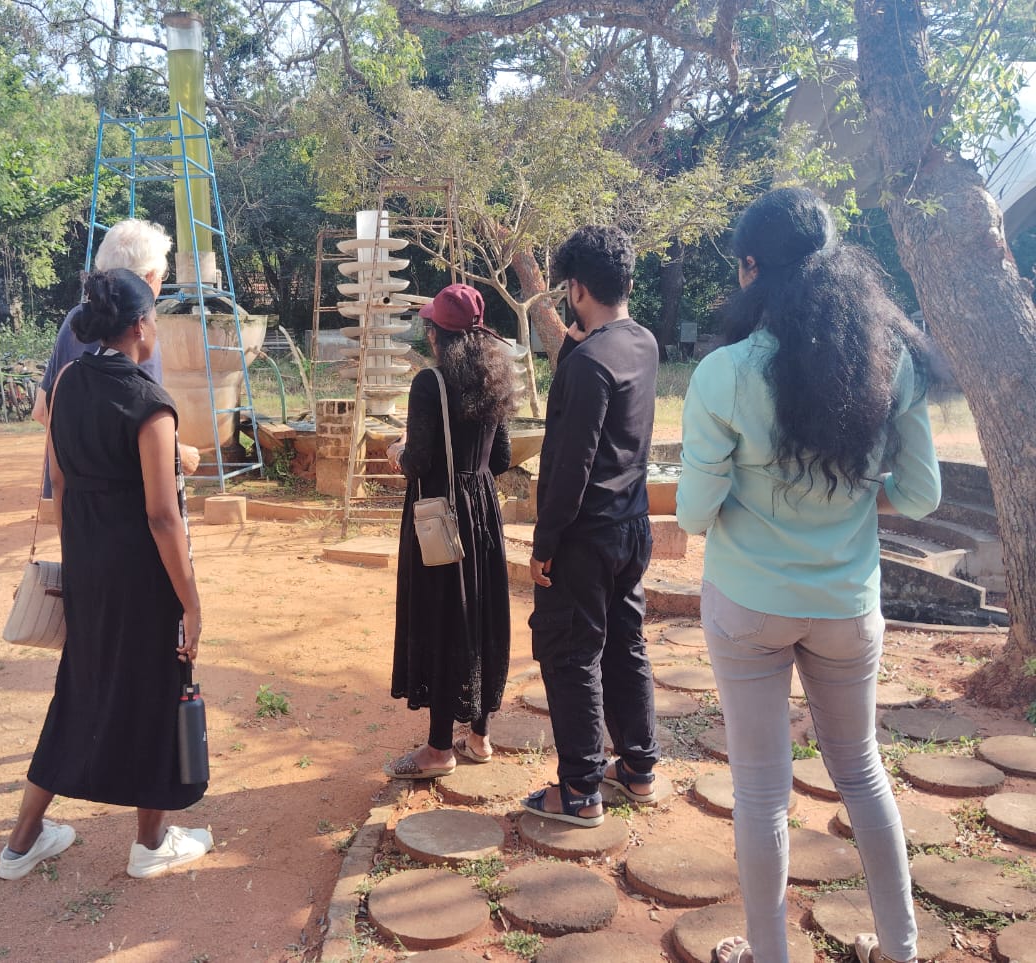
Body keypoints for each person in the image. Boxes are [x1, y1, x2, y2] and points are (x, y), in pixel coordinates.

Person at [675, 187, 943, 963]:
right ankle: (900, 949)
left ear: (751, 268)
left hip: (748, 609)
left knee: (762, 792)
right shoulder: (890, 364)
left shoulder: (723, 374)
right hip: (848, 609)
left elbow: (694, 513)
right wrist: (857, 496)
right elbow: (921, 494)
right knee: (861, 770)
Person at [0, 268, 210, 882]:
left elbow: (60, 484)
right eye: (155, 320)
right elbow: (162, 516)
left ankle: (21, 842)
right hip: (144, 577)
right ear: (141, 326)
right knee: (159, 692)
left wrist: (81, 561)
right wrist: (191, 603)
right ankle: (151, 843)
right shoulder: (151, 404)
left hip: (88, 567)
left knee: (78, 693)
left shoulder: (66, 381)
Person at [523, 225, 659, 827]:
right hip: (632, 526)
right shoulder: (643, 343)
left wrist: (544, 543)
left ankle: (579, 790)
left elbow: (570, 464)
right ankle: (638, 767)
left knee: (571, 653)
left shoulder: (587, 364)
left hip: (584, 536)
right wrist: (573, 353)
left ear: (577, 288)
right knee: (625, 644)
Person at [382, 283, 516, 779]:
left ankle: (439, 751)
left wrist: (398, 451)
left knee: (440, 617)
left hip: (441, 514)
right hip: (482, 511)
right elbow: (500, 458)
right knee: (478, 614)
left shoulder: (429, 383)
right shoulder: (494, 380)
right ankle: (479, 737)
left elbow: (419, 462)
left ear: (437, 334)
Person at [32, 219, 200, 488]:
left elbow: (43, 411)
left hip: (72, 492)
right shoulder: (139, 335)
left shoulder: (77, 319)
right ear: (149, 278)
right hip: (122, 495)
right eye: (162, 275)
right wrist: (178, 454)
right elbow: (142, 423)